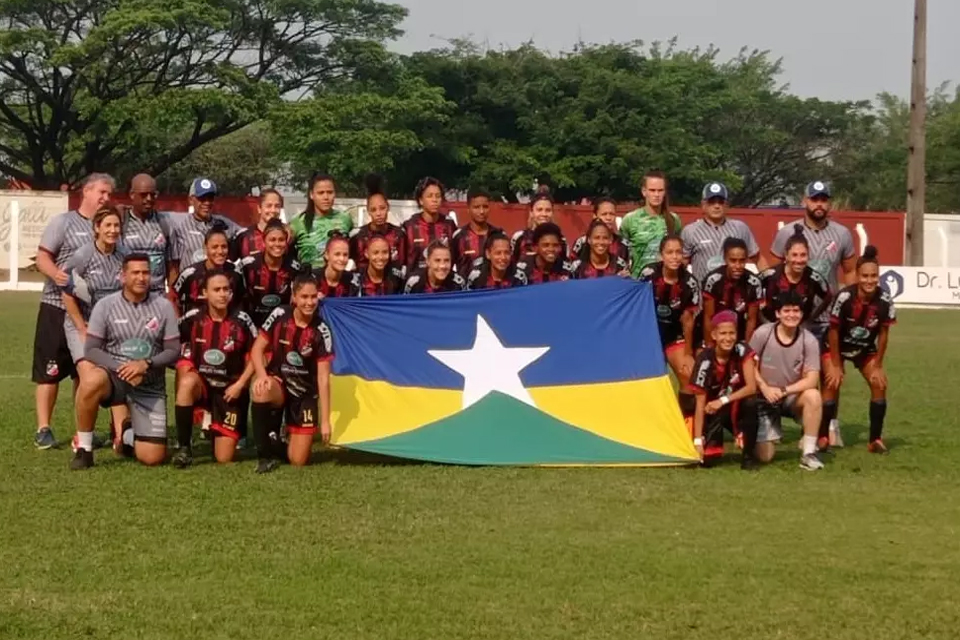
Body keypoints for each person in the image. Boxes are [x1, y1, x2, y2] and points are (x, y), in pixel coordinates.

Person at [70, 254, 180, 469]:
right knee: (91, 381)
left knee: (152, 458)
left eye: (146, 272)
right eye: (135, 273)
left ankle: (128, 434)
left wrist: (145, 364)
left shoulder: (163, 306)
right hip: (115, 376)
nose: (141, 278)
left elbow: (174, 350)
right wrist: (121, 368)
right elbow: (91, 349)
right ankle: (85, 449)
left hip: (149, 381)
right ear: (122, 276)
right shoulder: (105, 305)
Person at [32, 172, 114, 450]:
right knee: (50, 370)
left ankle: (83, 431)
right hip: (56, 306)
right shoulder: (64, 222)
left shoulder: (106, 226)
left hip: (89, 313)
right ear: (86, 192)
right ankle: (43, 428)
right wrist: (58, 276)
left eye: (109, 194)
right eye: (101, 192)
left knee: (84, 371)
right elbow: (42, 256)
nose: (106, 198)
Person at [249, 274, 334, 473]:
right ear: (294, 297)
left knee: (298, 461)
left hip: (304, 395)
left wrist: (326, 421)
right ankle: (264, 457)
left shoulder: (322, 330)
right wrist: (262, 375)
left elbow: (323, 378)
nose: (309, 302)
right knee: (261, 389)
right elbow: (256, 349)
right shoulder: (279, 314)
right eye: (304, 297)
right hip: (280, 383)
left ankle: (275, 440)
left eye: (313, 297)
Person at [173, 270, 258, 467]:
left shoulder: (243, 320)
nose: (222, 294)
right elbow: (177, 348)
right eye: (216, 289)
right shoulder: (192, 319)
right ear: (205, 293)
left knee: (224, 458)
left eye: (226, 289)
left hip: (229, 391)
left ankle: (215, 426)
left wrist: (241, 384)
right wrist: (186, 373)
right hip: (202, 385)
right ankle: (184, 447)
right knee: (186, 383)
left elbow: (257, 354)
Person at [822, 246, 895, 454]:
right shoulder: (844, 297)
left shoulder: (885, 301)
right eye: (865, 276)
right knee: (831, 382)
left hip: (864, 349)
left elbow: (884, 334)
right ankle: (823, 437)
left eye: (873, 276)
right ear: (857, 275)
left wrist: (878, 365)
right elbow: (833, 331)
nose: (869, 281)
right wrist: (836, 364)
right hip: (836, 346)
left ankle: (875, 440)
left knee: (879, 384)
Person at [748, 291, 825, 471]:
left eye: (796, 311)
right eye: (787, 311)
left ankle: (808, 453)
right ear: (777, 313)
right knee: (765, 457)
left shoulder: (809, 340)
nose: (792, 315)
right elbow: (748, 365)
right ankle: (751, 433)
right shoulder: (763, 334)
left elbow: (812, 380)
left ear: (802, 314)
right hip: (764, 398)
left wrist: (783, 390)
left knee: (813, 396)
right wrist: (764, 387)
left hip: (789, 397)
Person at [769, 180, 857, 336]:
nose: (819, 204)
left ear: (829, 203)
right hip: (793, 315)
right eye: (814, 199)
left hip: (829, 314)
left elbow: (850, 271)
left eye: (823, 200)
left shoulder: (842, 234)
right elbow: (773, 272)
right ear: (804, 201)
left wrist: (852, 305)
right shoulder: (787, 232)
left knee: (827, 360)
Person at [638, 235, 701, 426]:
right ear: (661, 256)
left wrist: (689, 353)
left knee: (688, 375)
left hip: (675, 336)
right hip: (648, 335)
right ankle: (646, 422)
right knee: (644, 381)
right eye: (669, 252)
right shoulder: (648, 274)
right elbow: (636, 306)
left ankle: (684, 426)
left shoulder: (689, 283)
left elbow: (688, 322)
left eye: (678, 252)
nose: (675, 257)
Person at [688, 311, 759, 469]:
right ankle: (708, 440)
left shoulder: (743, 350)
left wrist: (723, 400)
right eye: (723, 333)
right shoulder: (705, 361)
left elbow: (751, 387)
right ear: (714, 335)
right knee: (707, 461)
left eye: (732, 333)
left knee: (751, 402)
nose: (728, 338)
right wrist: (698, 440)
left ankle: (748, 456)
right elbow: (700, 403)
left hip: (735, 406)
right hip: (711, 411)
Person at [681, 182, 763, 285]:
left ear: (726, 205)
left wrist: (769, 280)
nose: (717, 206)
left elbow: (758, 258)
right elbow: (681, 265)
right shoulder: (690, 231)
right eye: (712, 202)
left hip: (735, 293)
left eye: (720, 202)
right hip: (703, 293)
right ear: (703, 205)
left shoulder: (740, 228)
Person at [168, 177, 241, 285]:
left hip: (217, 288)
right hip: (190, 288)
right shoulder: (179, 225)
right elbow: (173, 266)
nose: (207, 202)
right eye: (202, 198)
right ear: (191, 200)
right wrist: (173, 292)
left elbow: (247, 236)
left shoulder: (224, 224)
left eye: (210, 198)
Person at [759, 225, 831, 325]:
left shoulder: (814, 278)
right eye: (794, 255)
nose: (799, 260)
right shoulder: (771, 275)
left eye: (803, 255)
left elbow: (828, 297)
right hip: (771, 327)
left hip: (800, 329)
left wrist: (810, 320)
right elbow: (751, 290)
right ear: (786, 255)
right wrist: (763, 320)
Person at [239, 219, 305, 326]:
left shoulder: (294, 268)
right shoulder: (248, 265)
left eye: (281, 240)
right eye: (272, 240)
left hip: (282, 326)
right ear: (264, 241)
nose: (277, 244)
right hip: (253, 324)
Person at [620, 170, 683, 277]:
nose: (656, 194)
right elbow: (620, 252)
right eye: (652, 190)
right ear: (644, 191)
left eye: (660, 190)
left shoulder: (673, 220)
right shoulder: (630, 220)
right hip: (638, 282)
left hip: (664, 282)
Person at [702, 238, 763, 346]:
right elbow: (708, 316)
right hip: (718, 332)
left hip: (740, 332)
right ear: (725, 259)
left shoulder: (754, 283)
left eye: (742, 261)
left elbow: (751, 320)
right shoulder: (713, 280)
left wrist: (747, 348)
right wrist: (709, 345)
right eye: (733, 260)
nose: (738, 266)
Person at [173, 225, 245, 316]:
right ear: (205, 248)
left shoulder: (235, 272)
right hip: (195, 327)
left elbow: (241, 302)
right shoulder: (190, 274)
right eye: (215, 247)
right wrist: (178, 321)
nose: (220, 251)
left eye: (224, 247)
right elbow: (172, 297)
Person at [288, 172, 353, 270]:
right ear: (311, 195)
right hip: (308, 280)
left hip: (339, 280)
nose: (326, 197)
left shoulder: (345, 219)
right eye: (321, 193)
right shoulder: (298, 222)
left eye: (330, 192)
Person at [122, 173, 174, 294]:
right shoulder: (121, 222)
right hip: (130, 295)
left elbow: (171, 265)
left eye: (153, 194)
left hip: (157, 295)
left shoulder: (164, 223)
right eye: (144, 195)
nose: (149, 199)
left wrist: (171, 294)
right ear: (132, 195)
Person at [350, 175, 407, 273]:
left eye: (382, 208)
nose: (378, 213)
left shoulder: (399, 235)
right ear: (368, 211)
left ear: (388, 207)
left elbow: (403, 264)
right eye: (373, 210)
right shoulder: (359, 237)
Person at [402, 177, 457, 273]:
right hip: (416, 285)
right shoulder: (409, 227)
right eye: (430, 196)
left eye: (438, 196)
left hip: (445, 284)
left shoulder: (449, 225)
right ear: (421, 200)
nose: (434, 200)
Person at [230, 188, 294, 261]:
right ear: (259, 208)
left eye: (277, 206)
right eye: (269, 206)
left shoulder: (288, 236)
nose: (273, 210)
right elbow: (228, 263)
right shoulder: (244, 236)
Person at [451, 188, 503, 275]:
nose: (481, 211)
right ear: (468, 209)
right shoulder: (459, 237)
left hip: (494, 288)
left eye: (485, 207)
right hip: (466, 288)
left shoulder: (498, 234)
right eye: (476, 207)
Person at [569, 197, 630, 264]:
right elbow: (571, 268)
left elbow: (629, 268)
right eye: (604, 214)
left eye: (611, 214)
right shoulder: (582, 243)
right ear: (595, 216)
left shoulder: (623, 244)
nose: (608, 218)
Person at [511, 194, 567, 263]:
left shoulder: (561, 240)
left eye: (548, 210)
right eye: (539, 210)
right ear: (531, 212)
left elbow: (565, 267)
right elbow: (512, 264)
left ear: (552, 213)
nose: (544, 214)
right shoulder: (520, 237)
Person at [313, 231, 361, 298]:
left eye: (345, 255)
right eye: (337, 254)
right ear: (327, 255)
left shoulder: (352, 281)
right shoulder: (312, 278)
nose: (342, 259)